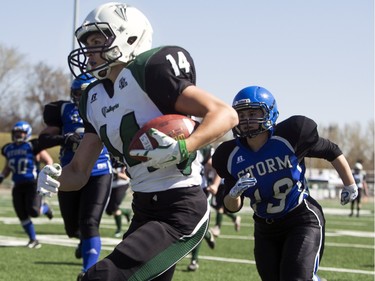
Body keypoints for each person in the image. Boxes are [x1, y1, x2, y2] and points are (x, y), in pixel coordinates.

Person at [37, 2, 238, 281]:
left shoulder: (151, 72)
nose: (90, 50)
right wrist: (55, 178)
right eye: (87, 43)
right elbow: (80, 172)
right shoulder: (94, 98)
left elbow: (225, 115)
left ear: (129, 36)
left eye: (97, 40)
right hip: (144, 208)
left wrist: (184, 146)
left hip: (180, 209)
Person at [212, 86, 358, 281]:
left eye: (253, 113)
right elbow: (231, 207)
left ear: (269, 112)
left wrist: (350, 184)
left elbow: (331, 150)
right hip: (265, 228)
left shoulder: (289, 136)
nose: (246, 120)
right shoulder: (229, 155)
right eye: (242, 114)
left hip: (300, 218)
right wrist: (234, 194)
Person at [38, 74, 112, 279]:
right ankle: (82, 240)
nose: (82, 96)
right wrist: (65, 138)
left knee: (89, 222)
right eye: (79, 92)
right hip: (70, 171)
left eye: (86, 92)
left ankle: (87, 271)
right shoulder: (64, 110)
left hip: (100, 170)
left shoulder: (108, 106)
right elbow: (43, 139)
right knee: (72, 228)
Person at [0, 121, 54, 249]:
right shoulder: (8, 148)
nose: (18, 135)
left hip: (32, 183)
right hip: (17, 184)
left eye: (21, 132)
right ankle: (33, 239)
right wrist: (2, 176)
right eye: (17, 132)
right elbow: (7, 167)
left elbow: (48, 161)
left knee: (34, 212)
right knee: (21, 214)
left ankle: (45, 208)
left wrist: (46, 175)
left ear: (27, 133)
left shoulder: (32, 146)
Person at [187, 145, 216, 271]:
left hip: (200, 190)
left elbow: (216, 167)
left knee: (195, 225)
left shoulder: (204, 147)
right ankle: (207, 234)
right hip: (178, 189)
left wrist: (215, 184)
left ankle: (194, 260)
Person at [106, 158, 132, 237]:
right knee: (108, 210)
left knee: (114, 207)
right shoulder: (108, 160)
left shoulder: (122, 162)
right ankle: (126, 212)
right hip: (111, 186)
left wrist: (116, 173)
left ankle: (119, 230)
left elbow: (126, 177)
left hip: (121, 184)